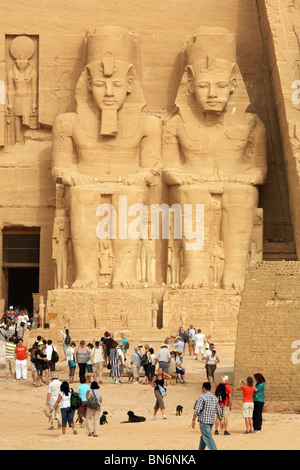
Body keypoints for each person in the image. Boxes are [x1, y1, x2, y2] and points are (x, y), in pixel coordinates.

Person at [192, 382, 224, 451]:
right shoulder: (215, 398)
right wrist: (221, 421)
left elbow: (197, 409)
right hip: (211, 421)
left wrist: (193, 420)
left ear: (204, 388)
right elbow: (218, 410)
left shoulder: (202, 397)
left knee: (207, 437)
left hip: (204, 420)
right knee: (204, 436)